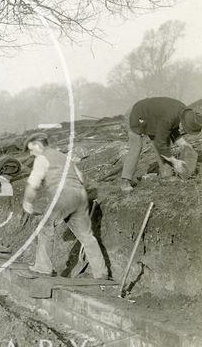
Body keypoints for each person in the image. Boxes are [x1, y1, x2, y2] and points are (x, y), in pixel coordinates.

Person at [22, 132, 108, 279]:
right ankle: (101, 273)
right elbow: (81, 178)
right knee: (87, 237)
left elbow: (33, 184)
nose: (31, 153)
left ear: (38, 145)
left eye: (31, 149)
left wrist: (27, 201)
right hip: (81, 195)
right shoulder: (63, 156)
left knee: (45, 227)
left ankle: (43, 267)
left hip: (63, 194)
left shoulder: (42, 158)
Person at [121, 97, 202, 192]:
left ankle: (166, 175)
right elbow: (161, 142)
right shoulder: (169, 117)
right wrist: (175, 161)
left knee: (161, 140)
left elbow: (173, 128)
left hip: (153, 118)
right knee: (137, 147)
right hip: (136, 115)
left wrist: (185, 145)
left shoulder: (184, 112)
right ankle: (125, 181)